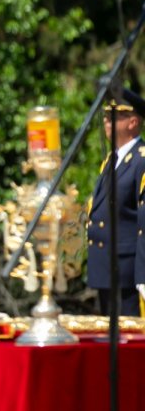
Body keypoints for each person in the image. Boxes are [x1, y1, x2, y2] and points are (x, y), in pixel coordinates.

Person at [87, 87, 145, 316]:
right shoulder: (112, 160)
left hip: (128, 272)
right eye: (105, 116)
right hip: (106, 269)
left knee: (131, 343)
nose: (106, 121)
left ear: (132, 122)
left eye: (114, 116)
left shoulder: (141, 160)